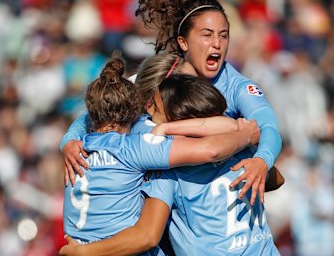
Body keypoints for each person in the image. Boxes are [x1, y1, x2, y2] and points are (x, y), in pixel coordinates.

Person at [61, 0, 282, 203]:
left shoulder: (237, 86)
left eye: (224, 35)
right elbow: (102, 108)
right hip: (164, 194)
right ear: (183, 42)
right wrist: (70, 139)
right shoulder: (160, 75)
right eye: (207, 35)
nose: (217, 43)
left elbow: (268, 127)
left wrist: (262, 161)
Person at [59, 72, 283, 256]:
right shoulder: (239, 151)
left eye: (154, 108)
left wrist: (82, 252)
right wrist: (249, 148)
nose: (146, 112)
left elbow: (146, 236)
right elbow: (276, 179)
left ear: (177, 118)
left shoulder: (167, 172)